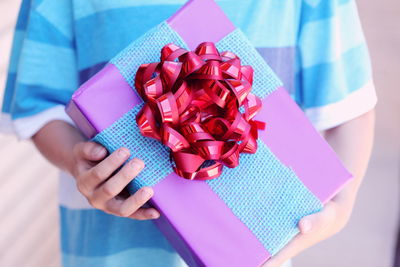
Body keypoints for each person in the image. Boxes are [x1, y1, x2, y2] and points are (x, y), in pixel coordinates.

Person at [1, 0, 376, 266]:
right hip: (110, 254)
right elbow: (38, 107)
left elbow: (349, 105)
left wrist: (341, 206)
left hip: (255, 246)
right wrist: (77, 161)